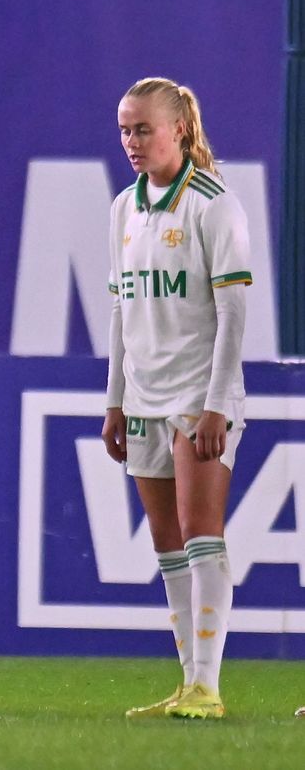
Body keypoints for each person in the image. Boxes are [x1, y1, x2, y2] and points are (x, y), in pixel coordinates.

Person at [101, 77, 252, 721]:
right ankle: (190, 680)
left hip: (197, 394)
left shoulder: (215, 205)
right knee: (166, 542)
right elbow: (120, 309)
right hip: (142, 396)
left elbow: (234, 311)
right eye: (126, 130)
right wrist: (114, 399)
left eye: (144, 129)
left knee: (199, 532)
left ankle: (210, 687)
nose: (133, 142)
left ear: (179, 131)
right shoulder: (122, 209)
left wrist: (217, 402)